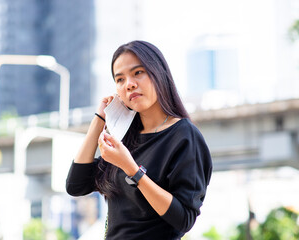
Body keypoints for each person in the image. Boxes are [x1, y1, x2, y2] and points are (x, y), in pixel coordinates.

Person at [66, 40, 212, 240]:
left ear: (159, 73)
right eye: (120, 79)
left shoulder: (185, 136)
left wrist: (132, 169)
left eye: (138, 72)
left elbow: (184, 219)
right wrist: (99, 119)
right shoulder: (125, 138)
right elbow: (76, 185)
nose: (129, 84)